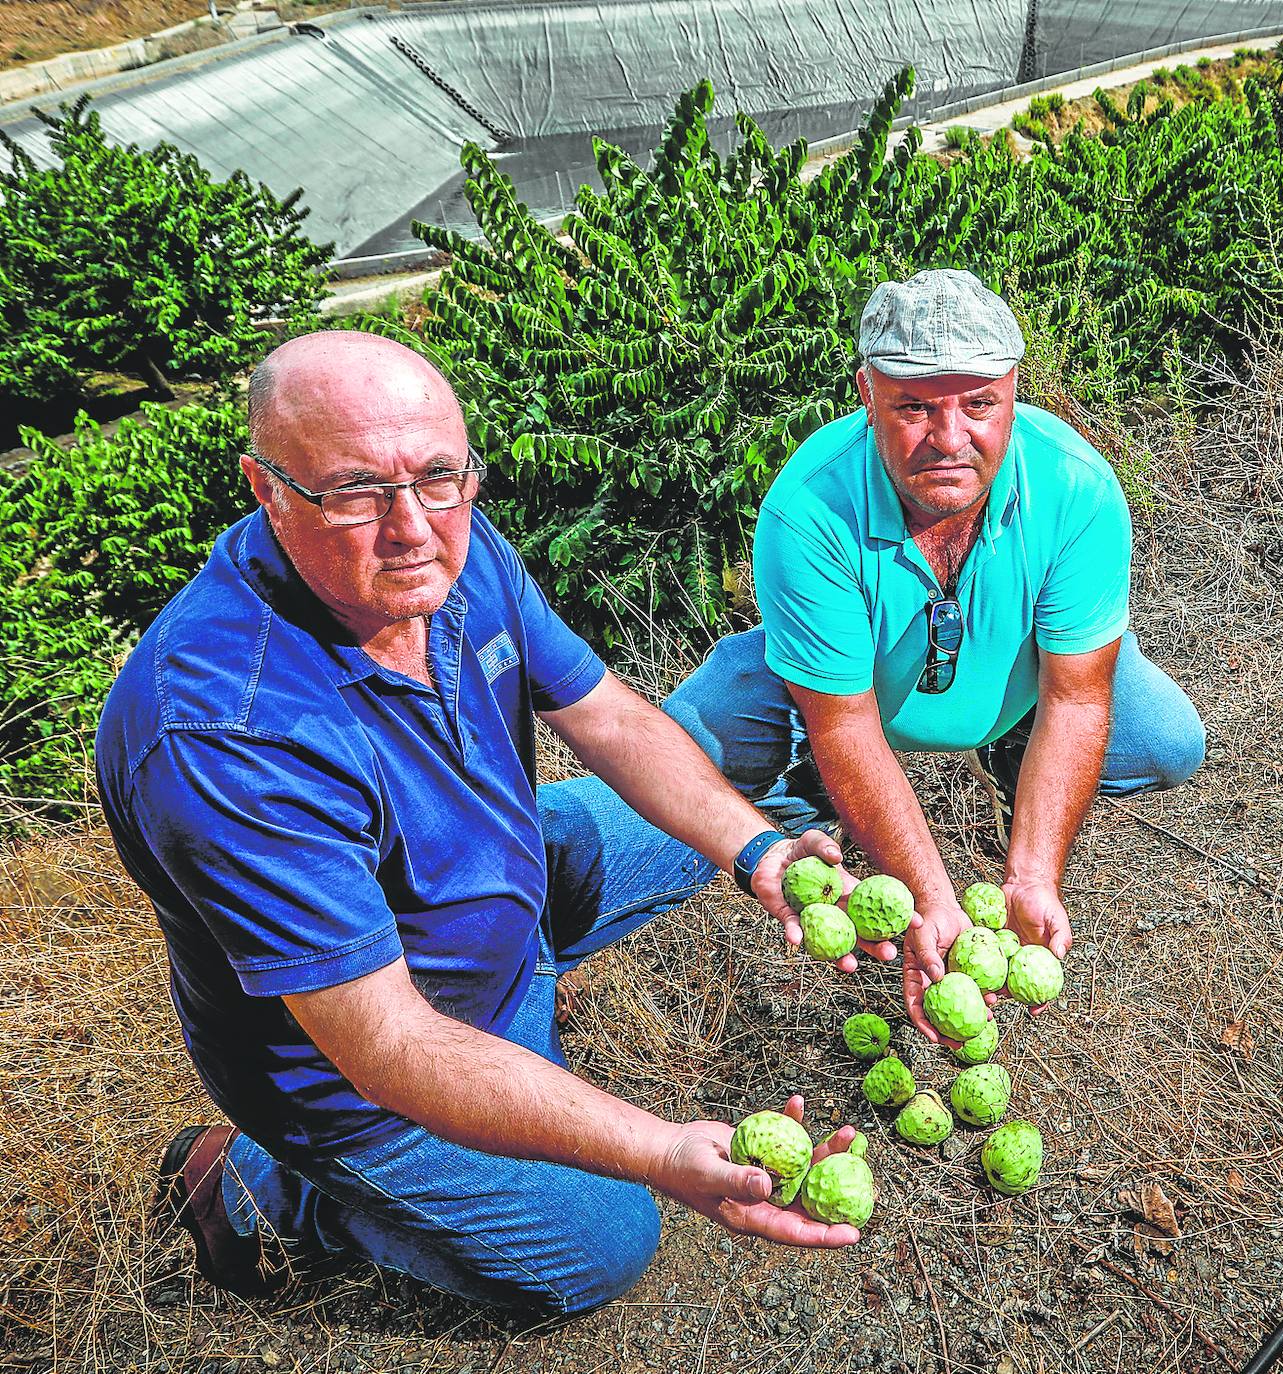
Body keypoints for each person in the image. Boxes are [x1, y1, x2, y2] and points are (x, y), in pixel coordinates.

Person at [95, 331, 885, 1315]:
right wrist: (662, 1149)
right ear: (266, 488)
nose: (412, 527)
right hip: (364, 1072)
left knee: (723, 812)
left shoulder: (447, 546)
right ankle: (259, 1186)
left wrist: (756, 851)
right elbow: (388, 1047)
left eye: (439, 476)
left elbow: (603, 715)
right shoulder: (224, 736)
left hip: (497, 875)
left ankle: (547, 1010)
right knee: (604, 1249)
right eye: (353, 491)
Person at [662, 269, 1205, 1042]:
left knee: (1164, 741)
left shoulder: (1075, 487)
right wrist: (927, 894)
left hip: (1018, 679)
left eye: (980, 404)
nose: (950, 441)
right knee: (684, 750)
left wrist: (1032, 874)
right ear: (865, 393)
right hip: (849, 697)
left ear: (1015, 391)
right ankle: (817, 799)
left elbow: (1078, 700)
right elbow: (846, 723)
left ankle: (1011, 758)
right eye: (914, 407)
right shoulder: (809, 508)